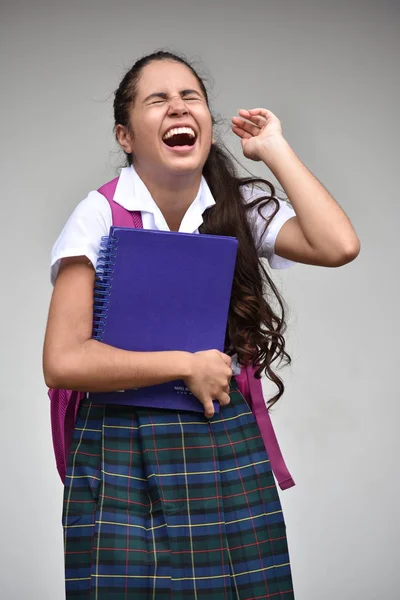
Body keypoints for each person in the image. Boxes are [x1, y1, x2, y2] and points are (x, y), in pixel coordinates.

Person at [43, 50, 360, 599]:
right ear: (125, 135)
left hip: (220, 435)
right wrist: (185, 365)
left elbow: (338, 245)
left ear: (208, 125)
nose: (178, 108)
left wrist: (274, 151)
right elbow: (63, 361)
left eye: (191, 97)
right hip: (122, 441)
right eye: (157, 99)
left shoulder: (236, 207)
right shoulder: (98, 214)